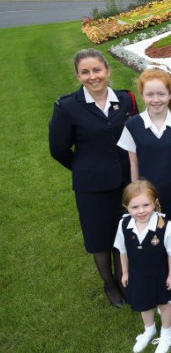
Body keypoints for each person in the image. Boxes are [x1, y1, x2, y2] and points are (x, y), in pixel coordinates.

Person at [49, 48, 138, 308]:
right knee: (99, 236)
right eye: (85, 72)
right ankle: (109, 283)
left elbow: (135, 134)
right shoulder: (66, 107)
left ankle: (125, 280)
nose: (92, 76)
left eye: (97, 70)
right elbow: (58, 149)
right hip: (91, 186)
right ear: (78, 76)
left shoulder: (126, 99)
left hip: (125, 182)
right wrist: (83, 168)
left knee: (124, 233)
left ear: (107, 71)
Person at [118, 67, 171, 315]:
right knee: (153, 244)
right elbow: (133, 164)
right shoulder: (132, 126)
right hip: (147, 198)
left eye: (161, 94)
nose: (156, 100)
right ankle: (157, 283)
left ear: (170, 93)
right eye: (150, 94)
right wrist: (135, 198)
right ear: (142, 94)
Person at [114, 180, 171, 353]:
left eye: (146, 205)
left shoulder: (165, 226)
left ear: (155, 203)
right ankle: (149, 329)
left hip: (159, 274)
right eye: (135, 207)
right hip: (137, 274)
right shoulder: (124, 226)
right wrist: (125, 272)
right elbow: (122, 250)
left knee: (163, 303)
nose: (141, 211)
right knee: (144, 304)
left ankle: (167, 332)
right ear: (126, 207)